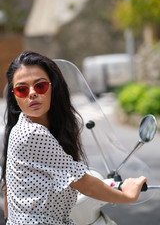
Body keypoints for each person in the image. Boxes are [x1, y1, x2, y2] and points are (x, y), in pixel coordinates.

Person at [1, 51, 146, 225]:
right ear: (14, 96)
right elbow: (85, 183)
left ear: (53, 87)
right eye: (22, 89)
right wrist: (127, 196)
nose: (32, 93)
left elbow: (8, 188)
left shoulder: (24, 129)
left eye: (40, 86)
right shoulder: (32, 133)